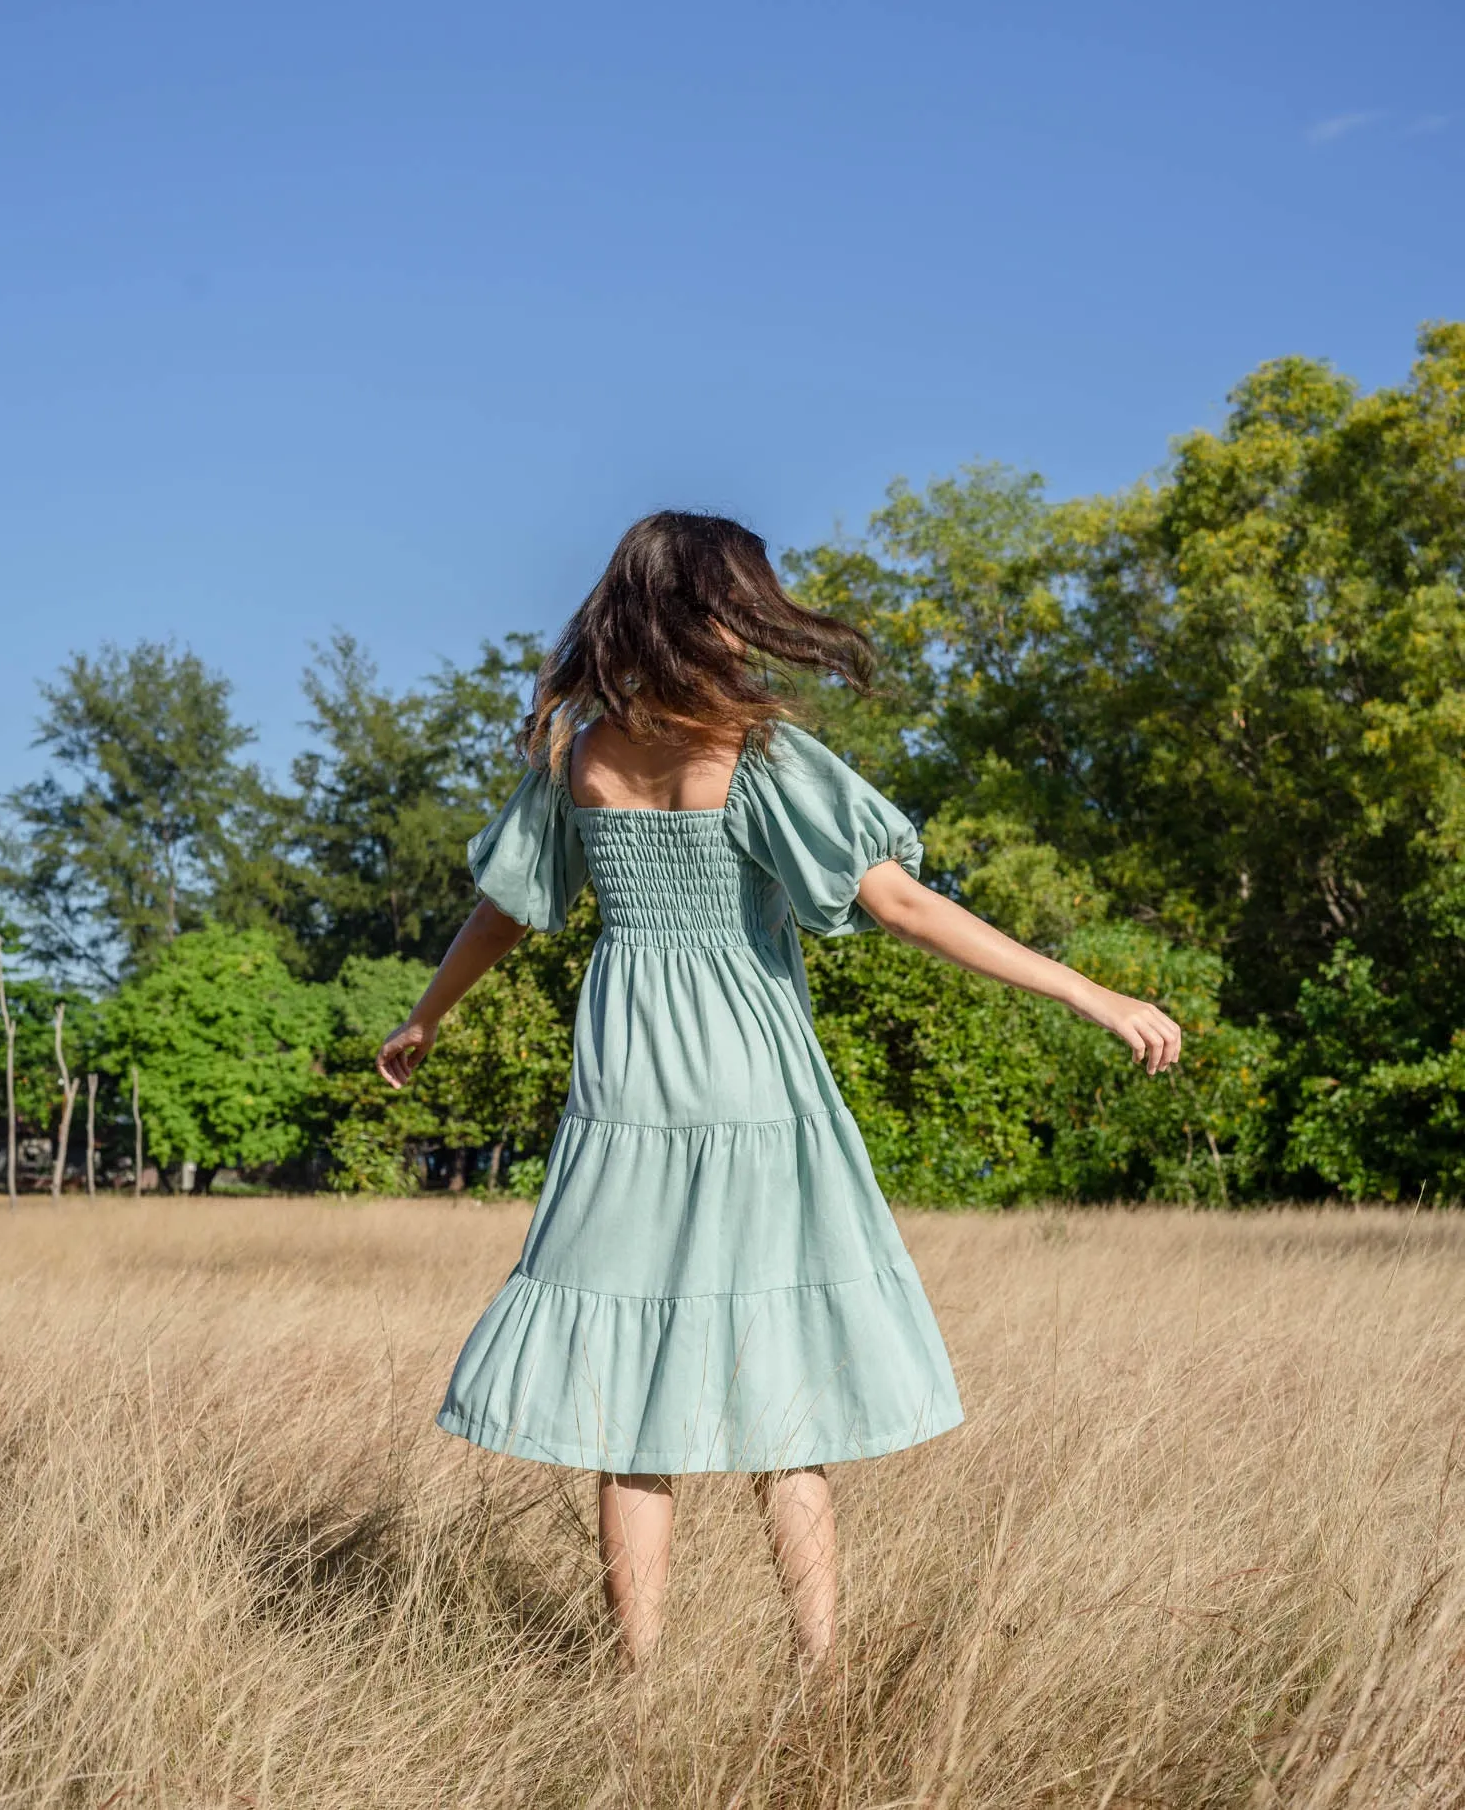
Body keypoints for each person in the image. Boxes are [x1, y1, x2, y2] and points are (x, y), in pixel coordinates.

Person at [377, 511, 1181, 1669]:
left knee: (631, 1397)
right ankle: (818, 1666)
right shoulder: (757, 754)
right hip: (753, 1076)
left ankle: (639, 1683)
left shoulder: (580, 755)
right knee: (781, 1369)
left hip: (629, 1082)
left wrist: (425, 1015)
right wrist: (1090, 993)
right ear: (714, 610)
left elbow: (508, 907)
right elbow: (903, 905)